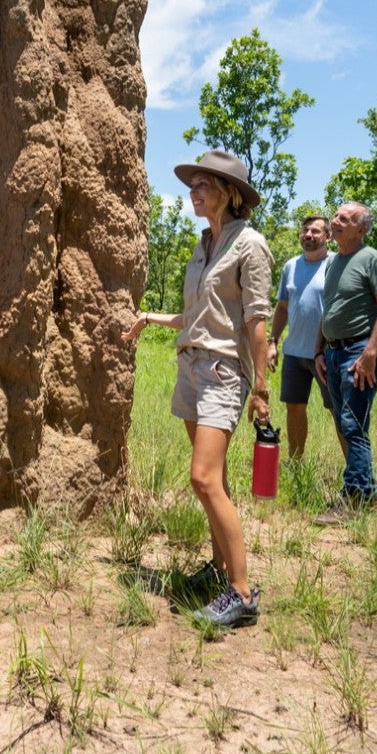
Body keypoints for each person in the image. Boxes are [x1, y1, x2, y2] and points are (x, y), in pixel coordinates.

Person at [122, 151, 274, 630]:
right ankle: (221, 568)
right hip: (191, 366)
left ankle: (243, 594)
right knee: (217, 481)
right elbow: (197, 317)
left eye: (204, 184)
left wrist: (262, 389)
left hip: (224, 372)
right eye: (193, 185)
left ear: (229, 193)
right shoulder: (203, 244)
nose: (195, 192)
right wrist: (151, 319)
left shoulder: (249, 245)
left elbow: (255, 320)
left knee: (203, 479)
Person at [311, 201, 377, 526]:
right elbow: (328, 310)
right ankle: (369, 493)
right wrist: (319, 352)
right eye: (335, 216)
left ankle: (354, 500)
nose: (335, 222)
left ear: (361, 229)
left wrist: (370, 354)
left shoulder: (372, 259)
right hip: (333, 354)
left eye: (344, 219)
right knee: (344, 422)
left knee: (353, 425)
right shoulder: (334, 263)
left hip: (358, 352)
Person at [266, 214, 335, 462]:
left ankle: (355, 472)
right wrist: (273, 341)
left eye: (316, 231)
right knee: (294, 408)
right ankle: (296, 463)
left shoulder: (337, 265)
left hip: (328, 353)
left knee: (336, 410)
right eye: (305, 231)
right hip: (294, 352)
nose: (308, 235)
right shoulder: (291, 266)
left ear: (328, 236)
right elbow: (282, 307)